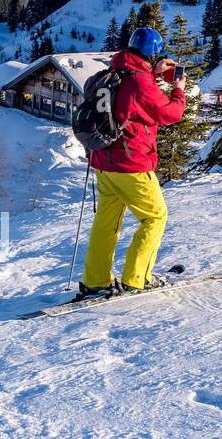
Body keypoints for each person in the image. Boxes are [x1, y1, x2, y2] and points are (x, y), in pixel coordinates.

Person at [79, 27, 186, 297]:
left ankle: (96, 280)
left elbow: (132, 92)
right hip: (131, 163)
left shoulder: (116, 71)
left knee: (107, 221)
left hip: (103, 160)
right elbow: (170, 113)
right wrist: (179, 90)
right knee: (155, 217)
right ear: (152, 55)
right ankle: (137, 278)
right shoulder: (141, 82)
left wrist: (155, 71)